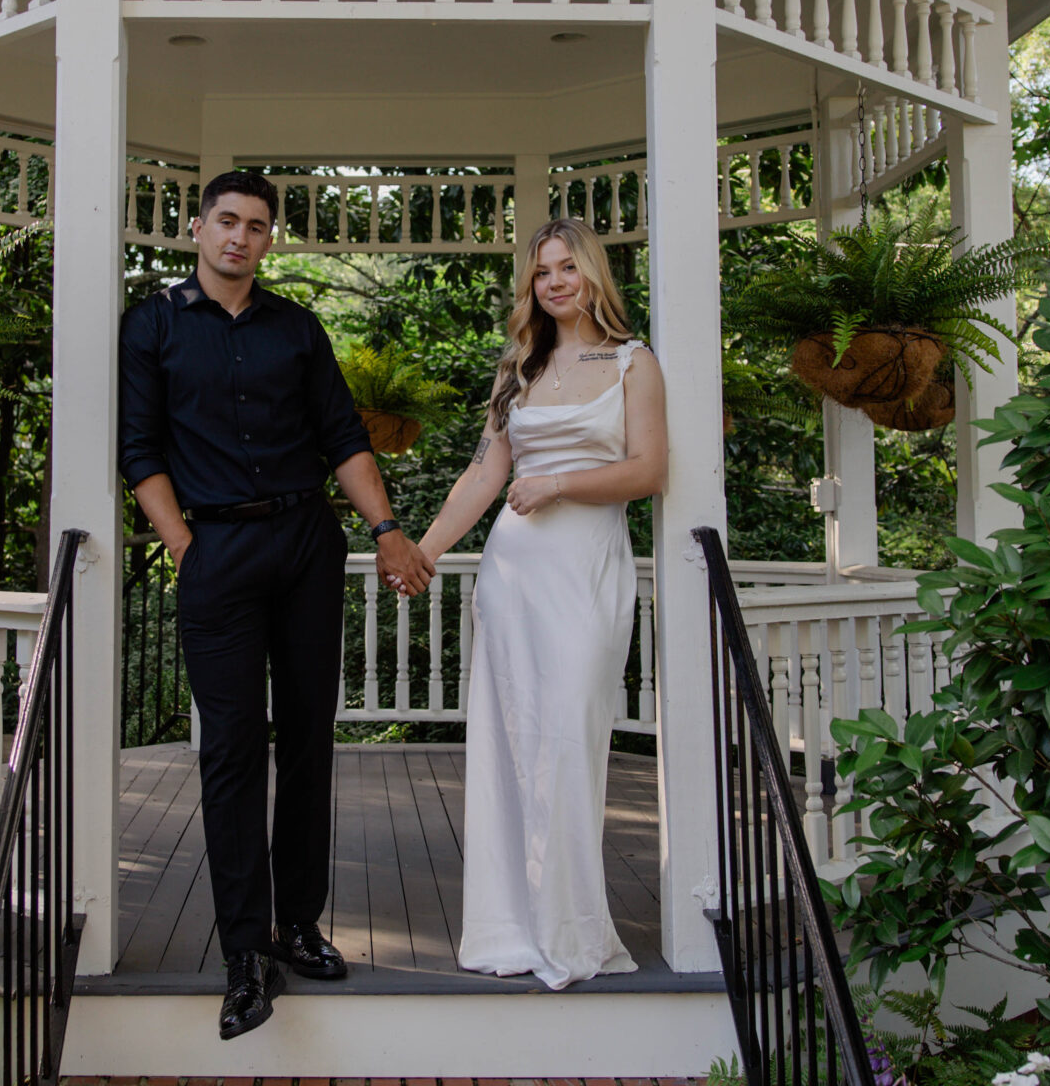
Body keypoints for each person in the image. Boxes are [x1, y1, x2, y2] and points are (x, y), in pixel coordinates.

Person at [119, 171, 432, 1040]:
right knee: (228, 752)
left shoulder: (297, 328)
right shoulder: (151, 324)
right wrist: (185, 545)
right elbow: (138, 447)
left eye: (257, 227)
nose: (240, 238)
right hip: (213, 547)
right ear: (198, 226)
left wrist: (388, 529)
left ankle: (298, 925)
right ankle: (244, 954)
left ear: (268, 239)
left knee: (306, 739)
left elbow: (343, 435)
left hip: (304, 544)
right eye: (227, 221)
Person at [407, 219, 667, 988]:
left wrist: (557, 483)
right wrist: (422, 551)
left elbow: (648, 470)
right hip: (512, 576)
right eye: (541, 272)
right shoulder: (518, 367)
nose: (554, 282)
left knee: (565, 741)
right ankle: (508, 932)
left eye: (567, 268)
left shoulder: (632, 363)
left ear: (593, 276)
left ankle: (572, 933)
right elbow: (483, 477)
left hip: (584, 570)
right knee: (508, 745)